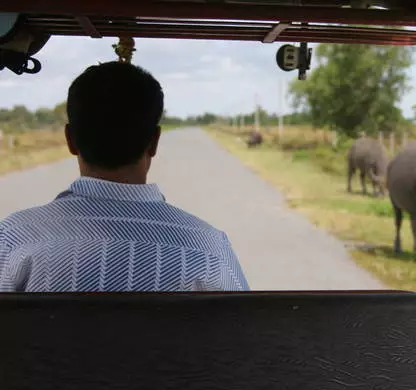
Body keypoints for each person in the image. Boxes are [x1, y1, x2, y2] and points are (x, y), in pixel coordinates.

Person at [0, 61, 249, 292]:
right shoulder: (208, 247)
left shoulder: (15, 238)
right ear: (154, 142)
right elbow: (246, 330)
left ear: (70, 140)